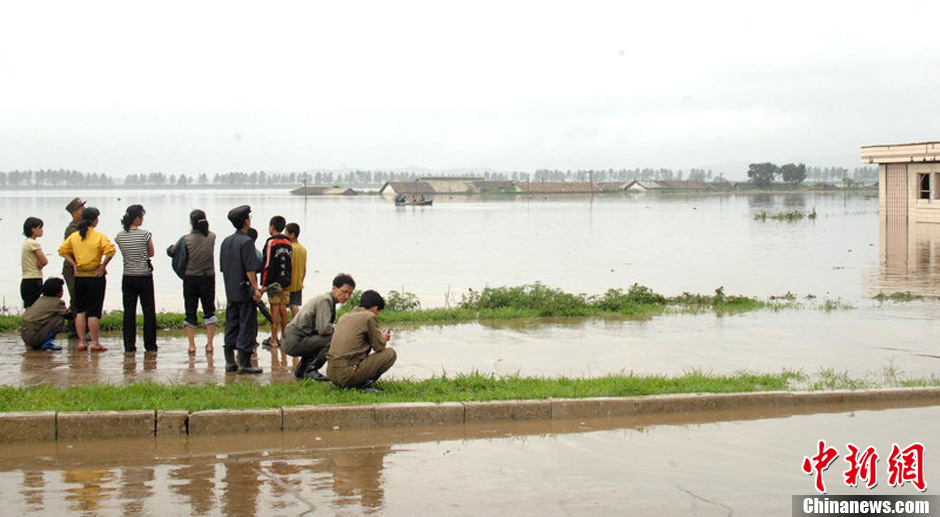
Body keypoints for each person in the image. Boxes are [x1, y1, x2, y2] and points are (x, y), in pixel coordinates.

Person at [58, 207, 115, 352]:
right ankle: (95, 343)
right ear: (95, 220)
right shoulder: (99, 236)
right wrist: (103, 265)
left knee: (80, 311)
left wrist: (74, 265)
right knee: (94, 312)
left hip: (80, 276)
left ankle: (82, 342)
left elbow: (62, 251)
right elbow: (111, 250)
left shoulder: (75, 236)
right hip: (95, 276)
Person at [281, 274, 355, 381]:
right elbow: (323, 329)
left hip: (293, 339)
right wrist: (340, 328)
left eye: (350, 294)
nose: (347, 296)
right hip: (294, 341)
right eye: (344, 292)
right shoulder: (325, 300)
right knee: (332, 338)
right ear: (334, 288)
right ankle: (311, 370)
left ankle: (302, 369)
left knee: (324, 338)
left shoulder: (327, 299)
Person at [219, 205, 263, 374]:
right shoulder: (247, 242)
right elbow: (250, 269)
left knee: (231, 323)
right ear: (246, 221)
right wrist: (256, 288)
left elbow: (223, 267)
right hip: (245, 291)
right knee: (246, 324)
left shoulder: (226, 241)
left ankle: (230, 362)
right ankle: (245, 362)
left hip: (231, 289)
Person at [167, 209, 217, 355]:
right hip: (208, 278)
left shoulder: (186, 239)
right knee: (209, 310)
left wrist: (169, 248)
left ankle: (192, 346)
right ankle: (209, 345)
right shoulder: (212, 237)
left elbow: (172, 251)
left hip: (190, 278)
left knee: (190, 311)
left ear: (192, 222)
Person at [326, 289, 397, 393]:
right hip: (346, 374)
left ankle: (348, 383)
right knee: (390, 354)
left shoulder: (344, 317)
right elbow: (379, 347)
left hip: (331, 373)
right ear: (375, 308)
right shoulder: (369, 316)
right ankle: (363, 384)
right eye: (378, 312)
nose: (377, 314)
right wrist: (384, 338)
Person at [114, 204, 157, 352]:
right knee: (148, 311)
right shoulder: (145, 234)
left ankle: (129, 345)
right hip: (144, 275)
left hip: (128, 276)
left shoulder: (119, 236)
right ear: (137, 218)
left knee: (129, 312)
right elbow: (151, 253)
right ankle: (150, 345)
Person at [260, 216, 292, 348]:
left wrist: (264, 285)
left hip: (273, 283)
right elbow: (290, 263)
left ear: (272, 227)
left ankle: (274, 338)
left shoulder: (271, 243)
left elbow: (267, 264)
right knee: (283, 308)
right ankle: (285, 338)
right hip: (285, 280)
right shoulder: (288, 243)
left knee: (274, 308)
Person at [21, 278, 72, 351]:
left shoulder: (40, 299)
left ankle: (39, 342)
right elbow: (69, 316)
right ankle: (46, 342)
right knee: (59, 317)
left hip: (25, 335)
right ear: (58, 292)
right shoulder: (57, 302)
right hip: (34, 337)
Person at [62, 197, 86, 336]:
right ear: (74, 212)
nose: (84, 211)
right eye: (81, 209)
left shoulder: (82, 226)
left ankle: (77, 328)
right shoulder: (73, 228)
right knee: (76, 298)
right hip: (72, 269)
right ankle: (73, 328)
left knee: (80, 297)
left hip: (80, 268)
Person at [21, 217, 48, 308]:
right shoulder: (34, 243)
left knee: (29, 306)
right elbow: (44, 260)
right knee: (34, 306)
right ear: (33, 229)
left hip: (26, 278)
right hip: (34, 278)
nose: (42, 230)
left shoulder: (26, 242)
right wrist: (41, 263)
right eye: (39, 228)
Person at [285, 222, 306, 318]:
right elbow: (304, 268)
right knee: (294, 305)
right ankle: (298, 324)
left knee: (288, 305)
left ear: (292, 235)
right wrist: (301, 280)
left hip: (289, 282)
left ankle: (292, 326)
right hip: (298, 282)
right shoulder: (303, 249)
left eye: (286, 232)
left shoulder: (289, 248)